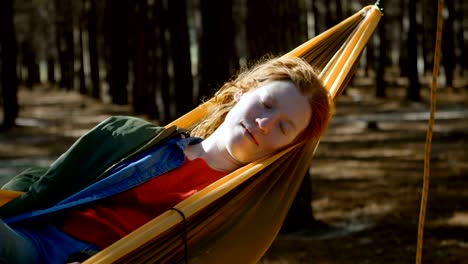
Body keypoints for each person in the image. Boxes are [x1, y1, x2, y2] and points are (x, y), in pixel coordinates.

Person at [0, 56, 332, 264]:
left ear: (287, 147)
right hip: (35, 240)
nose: (264, 124)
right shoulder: (137, 137)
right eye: (267, 104)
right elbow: (50, 181)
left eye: (284, 127)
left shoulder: (235, 212)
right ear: (242, 92)